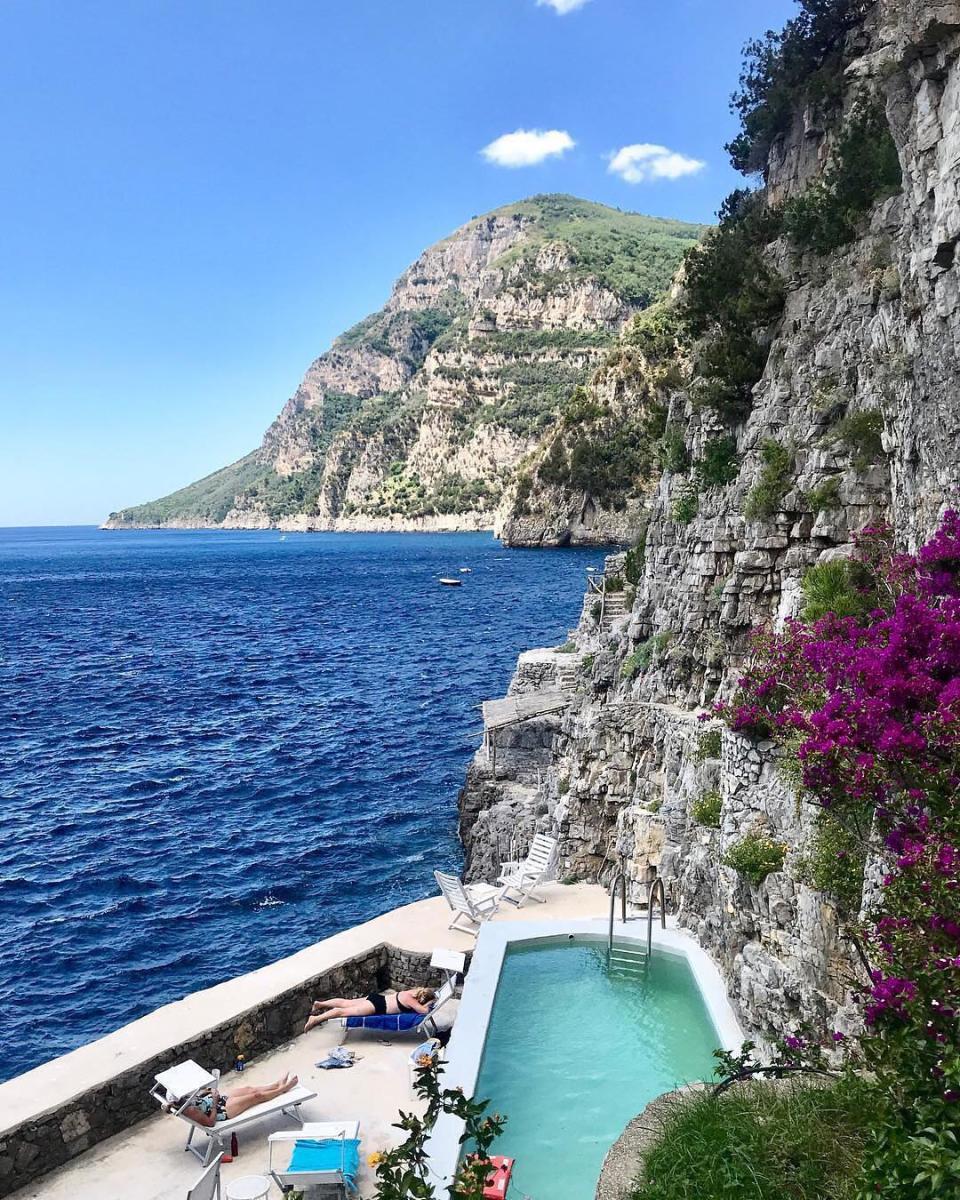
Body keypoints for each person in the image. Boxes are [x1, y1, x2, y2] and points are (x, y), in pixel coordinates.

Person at [169, 1070, 299, 1127]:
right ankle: (283, 1089)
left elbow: (197, 1096)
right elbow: (210, 1122)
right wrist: (214, 1102)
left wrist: (209, 1091)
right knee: (255, 1096)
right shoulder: (189, 1110)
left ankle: (276, 1085)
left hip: (217, 1099)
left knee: (249, 1089)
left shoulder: (183, 1098)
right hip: (222, 1110)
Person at [304, 986, 436, 1032]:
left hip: (376, 998)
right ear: (423, 999)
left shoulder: (411, 992)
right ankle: (316, 1019)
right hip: (376, 1006)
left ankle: (320, 1004)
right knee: (343, 1012)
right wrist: (430, 1002)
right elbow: (424, 1011)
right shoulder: (411, 1000)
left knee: (345, 1003)